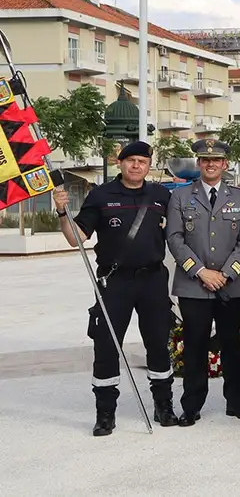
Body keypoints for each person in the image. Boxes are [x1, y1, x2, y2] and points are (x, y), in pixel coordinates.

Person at [53, 141, 180, 436]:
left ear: (149, 166)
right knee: (107, 347)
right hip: (115, 282)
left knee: (159, 345)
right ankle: (105, 413)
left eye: (142, 161)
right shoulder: (101, 195)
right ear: (120, 163)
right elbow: (76, 238)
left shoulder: (161, 195)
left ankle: (164, 406)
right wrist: (62, 212)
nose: (137, 166)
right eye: (131, 160)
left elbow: (178, 232)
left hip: (153, 280)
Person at [165, 138, 240, 426]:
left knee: (231, 343)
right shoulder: (180, 197)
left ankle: (237, 402)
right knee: (194, 345)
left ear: (225, 164)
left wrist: (226, 273)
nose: (211, 164)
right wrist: (201, 272)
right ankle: (191, 405)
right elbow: (175, 239)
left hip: (230, 284)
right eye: (205, 160)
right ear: (199, 164)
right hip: (194, 284)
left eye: (216, 160)